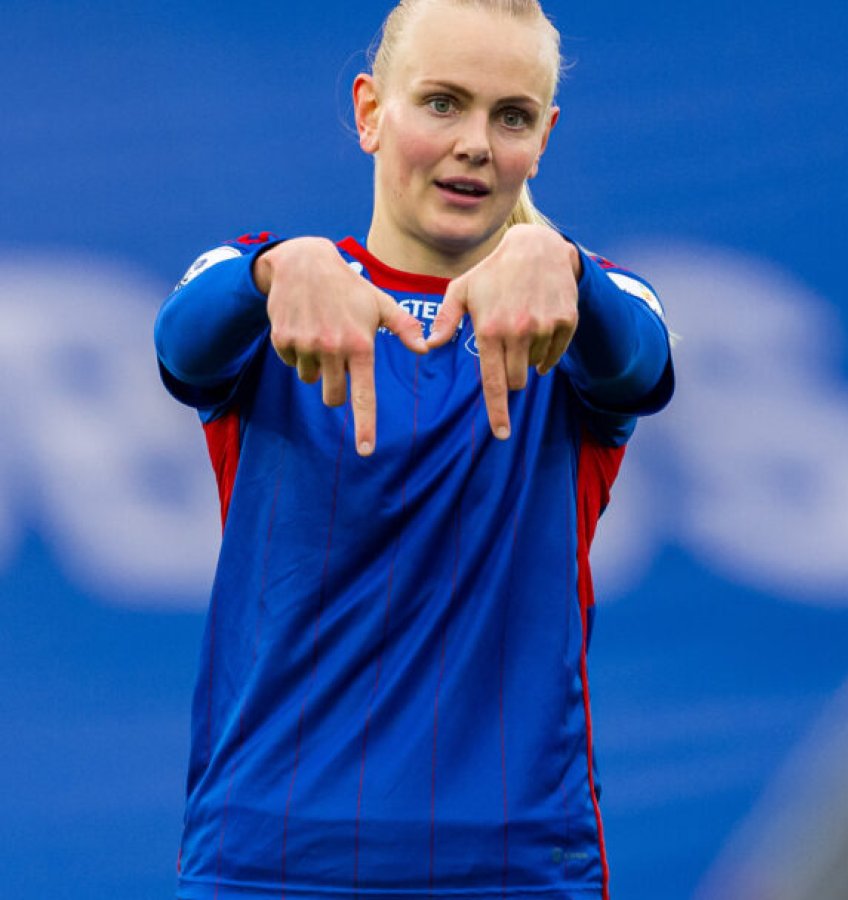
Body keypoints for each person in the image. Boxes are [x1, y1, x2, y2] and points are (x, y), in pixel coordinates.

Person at [153, 2, 673, 897]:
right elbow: (180, 343)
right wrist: (278, 267)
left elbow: (643, 360)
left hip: (513, 868)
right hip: (267, 864)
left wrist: (570, 268)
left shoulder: (572, 314)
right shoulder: (270, 292)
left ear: (544, 139)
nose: (475, 142)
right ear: (368, 112)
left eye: (510, 117)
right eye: (441, 102)